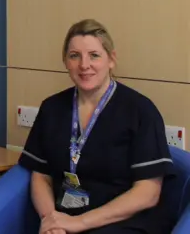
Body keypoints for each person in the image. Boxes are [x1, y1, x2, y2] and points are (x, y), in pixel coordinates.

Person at [18, 19, 175, 234]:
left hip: (124, 221)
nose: (84, 65)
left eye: (94, 55)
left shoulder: (140, 110)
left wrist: (79, 223)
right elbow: (41, 176)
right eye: (75, 56)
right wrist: (51, 222)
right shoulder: (51, 108)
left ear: (111, 59)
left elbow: (148, 193)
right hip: (65, 217)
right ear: (65, 61)